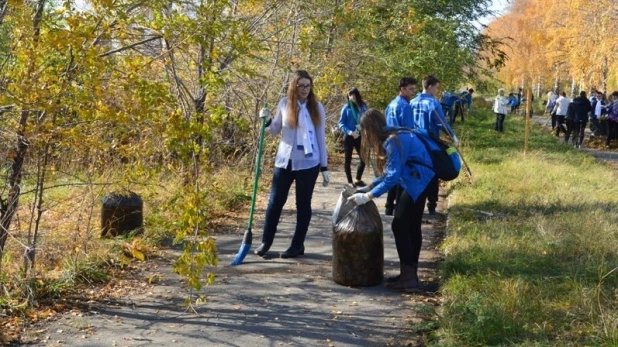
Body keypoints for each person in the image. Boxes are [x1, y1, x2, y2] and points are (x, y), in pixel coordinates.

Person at [347, 109, 435, 292]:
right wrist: (369, 187)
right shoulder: (395, 133)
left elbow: (392, 177)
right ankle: (409, 274)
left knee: (400, 226)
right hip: (422, 179)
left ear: (370, 128)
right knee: (411, 227)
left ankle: (409, 278)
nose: (364, 134)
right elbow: (390, 172)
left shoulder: (392, 141)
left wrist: (368, 197)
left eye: (364, 130)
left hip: (416, 182)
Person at [255, 70, 329, 258]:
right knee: (275, 202)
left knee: (303, 204)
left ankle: (297, 245)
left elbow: (321, 138)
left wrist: (324, 166)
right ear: (294, 86)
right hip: (285, 160)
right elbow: (274, 130)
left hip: (309, 162)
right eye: (301, 85)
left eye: (308, 86)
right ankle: (266, 241)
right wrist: (266, 119)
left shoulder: (316, 107)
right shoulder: (284, 104)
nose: (305, 89)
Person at [410, 75, 458, 215]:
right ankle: (431, 205)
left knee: (414, 171)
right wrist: (452, 136)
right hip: (429, 143)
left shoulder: (411, 102)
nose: (437, 90)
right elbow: (441, 123)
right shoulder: (433, 103)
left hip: (413, 143)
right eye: (436, 87)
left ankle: (415, 202)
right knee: (432, 172)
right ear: (429, 86)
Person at [383, 77, 418, 216]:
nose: (413, 92)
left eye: (414, 89)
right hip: (402, 144)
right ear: (402, 89)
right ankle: (399, 207)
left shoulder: (391, 104)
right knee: (401, 176)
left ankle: (388, 206)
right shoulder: (405, 106)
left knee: (392, 173)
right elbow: (409, 129)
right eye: (411, 89)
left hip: (390, 143)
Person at [338, 87, 368, 187]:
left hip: (360, 136)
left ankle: (358, 179)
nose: (352, 97)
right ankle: (350, 181)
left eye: (354, 95)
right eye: (350, 95)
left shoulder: (363, 106)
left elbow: (367, 118)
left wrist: (363, 128)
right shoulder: (346, 108)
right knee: (348, 160)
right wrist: (350, 132)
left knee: (363, 159)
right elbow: (341, 123)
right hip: (349, 136)